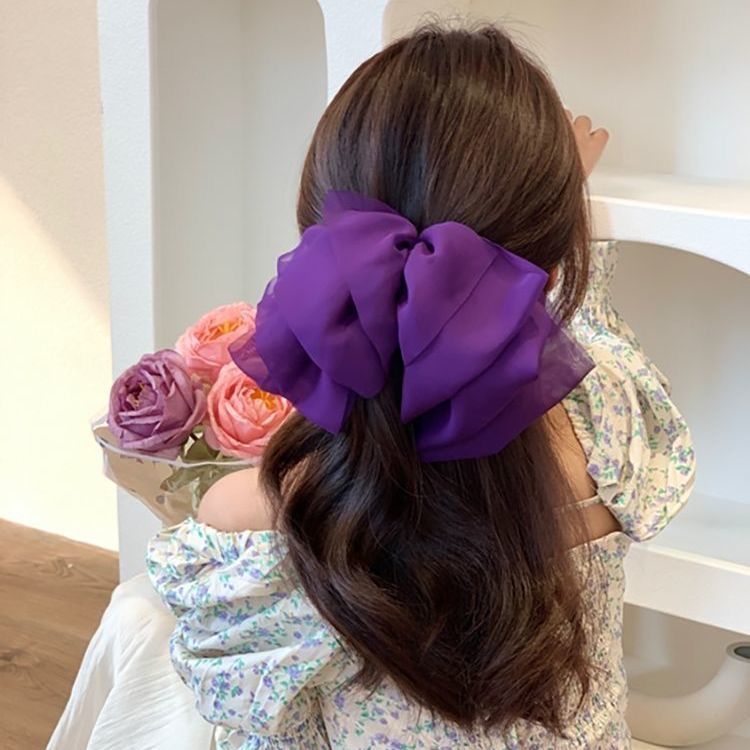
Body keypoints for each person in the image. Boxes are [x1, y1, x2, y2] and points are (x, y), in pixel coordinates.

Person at [49, 24, 695, 750]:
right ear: (550, 260)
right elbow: (593, 338)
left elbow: (266, 729)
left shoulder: (261, 513)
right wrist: (567, 214)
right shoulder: (613, 426)